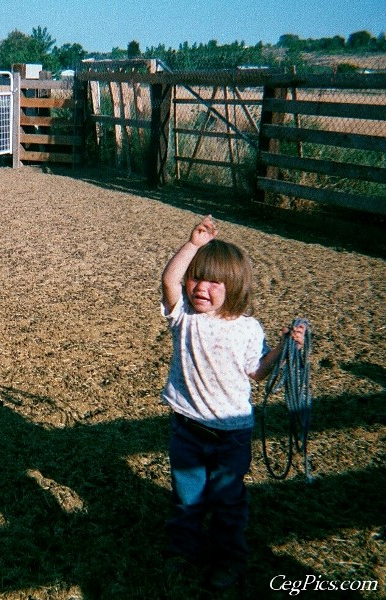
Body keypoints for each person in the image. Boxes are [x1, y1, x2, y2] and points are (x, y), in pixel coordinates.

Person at [160, 215, 305, 590]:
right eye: (196, 277)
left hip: (232, 435)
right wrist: (192, 244)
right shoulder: (184, 318)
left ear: (234, 286)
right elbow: (169, 280)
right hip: (187, 427)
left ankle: (229, 559)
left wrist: (285, 349)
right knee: (186, 495)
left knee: (228, 501)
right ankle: (183, 549)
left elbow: (257, 370)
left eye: (214, 281)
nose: (201, 288)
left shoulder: (247, 328)